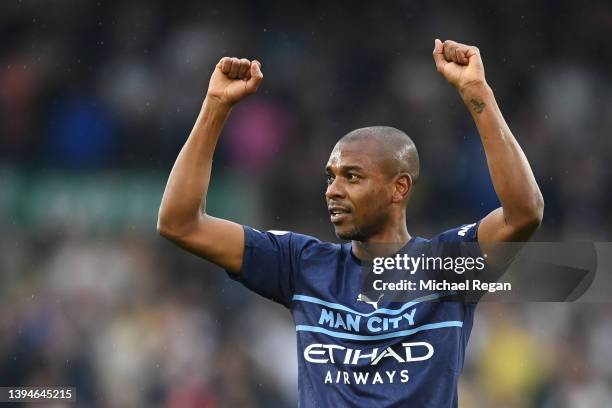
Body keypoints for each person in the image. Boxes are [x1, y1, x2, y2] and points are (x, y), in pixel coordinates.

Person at [157, 39, 544, 407]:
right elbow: (180, 223)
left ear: (399, 188)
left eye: (352, 177)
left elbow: (524, 213)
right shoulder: (302, 265)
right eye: (331, 177)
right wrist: (215, 106)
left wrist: (477, 92)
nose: (333, 191)